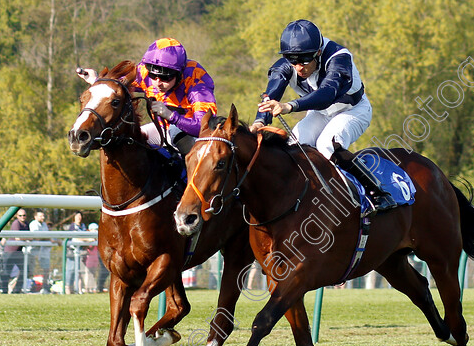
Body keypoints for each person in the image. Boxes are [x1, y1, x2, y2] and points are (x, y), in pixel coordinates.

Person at [252, 19, 395, 213]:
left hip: (353, 111)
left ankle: (377, 192)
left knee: (327, 144)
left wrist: (289, 106)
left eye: (304, 60)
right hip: (321, 113)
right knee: (294, 147)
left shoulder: (339, 57)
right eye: (292, 60)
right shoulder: (291, 64)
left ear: (318, 52)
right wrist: (259, 121)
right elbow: (272, 93)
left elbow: (327, 94)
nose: (299, 67)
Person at [77, 37, 217, 154]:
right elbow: (116, 89)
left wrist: (171, 116)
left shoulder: (196, 80)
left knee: (176, 131)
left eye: (165, 78)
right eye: (153, 76)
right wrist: (95, 80)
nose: (157, 82)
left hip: (195, 138)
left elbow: (204, 127)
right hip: (162, 130)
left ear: (179, 74)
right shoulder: (144, 71)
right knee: (131, 139)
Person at [1, 209, 29, 293]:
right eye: (20, 215)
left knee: (25, 270)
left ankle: (16, 290)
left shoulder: (26, 224)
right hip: (10, 251)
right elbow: (18, 238)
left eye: (24, 215)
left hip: (19, 251)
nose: (22, 217)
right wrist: (26, 239)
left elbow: (30, 237)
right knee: (6, 272)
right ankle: (4, 291)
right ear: (17, 216)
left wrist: (25, 239)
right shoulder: (16, 223)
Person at [66, 212, 91, 294]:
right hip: (72, 252)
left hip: (81, 252)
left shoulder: (83, 226)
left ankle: (79, 289)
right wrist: (88, 240)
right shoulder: (72, 226)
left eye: (80, 216)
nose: (79, 218)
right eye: (77, 216)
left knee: (80, 271)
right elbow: (76, 238)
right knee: (71, 270)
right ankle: (68, 289)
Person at [28, 210, 52, 293]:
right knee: (31, 271)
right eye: (41, 216)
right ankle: (31, 287)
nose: (43, 217)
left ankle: (44, 287)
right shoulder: (33, 224)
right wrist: (46, 238)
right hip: (33, 251)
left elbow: (46, 236)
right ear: (35, 217)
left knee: (46, 269)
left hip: (43, 252)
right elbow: (37, 237)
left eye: (43, 216)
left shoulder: (44, 224)